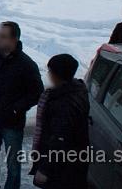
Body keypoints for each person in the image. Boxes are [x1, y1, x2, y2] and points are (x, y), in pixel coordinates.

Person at [0, 21, 44, 189]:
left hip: (12, 124)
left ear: (14, 39)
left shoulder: (26, 64)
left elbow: (37, 93)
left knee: (13, 165)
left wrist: (16, 108)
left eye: (3, 36)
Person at [29, 54, 90, 189]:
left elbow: (59, 140)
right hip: (74, 163)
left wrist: (44, 169)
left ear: (57, 74)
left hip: (63, 168)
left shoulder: (63, 103)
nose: (49, 74)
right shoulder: (77, 91)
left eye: (50, 71)